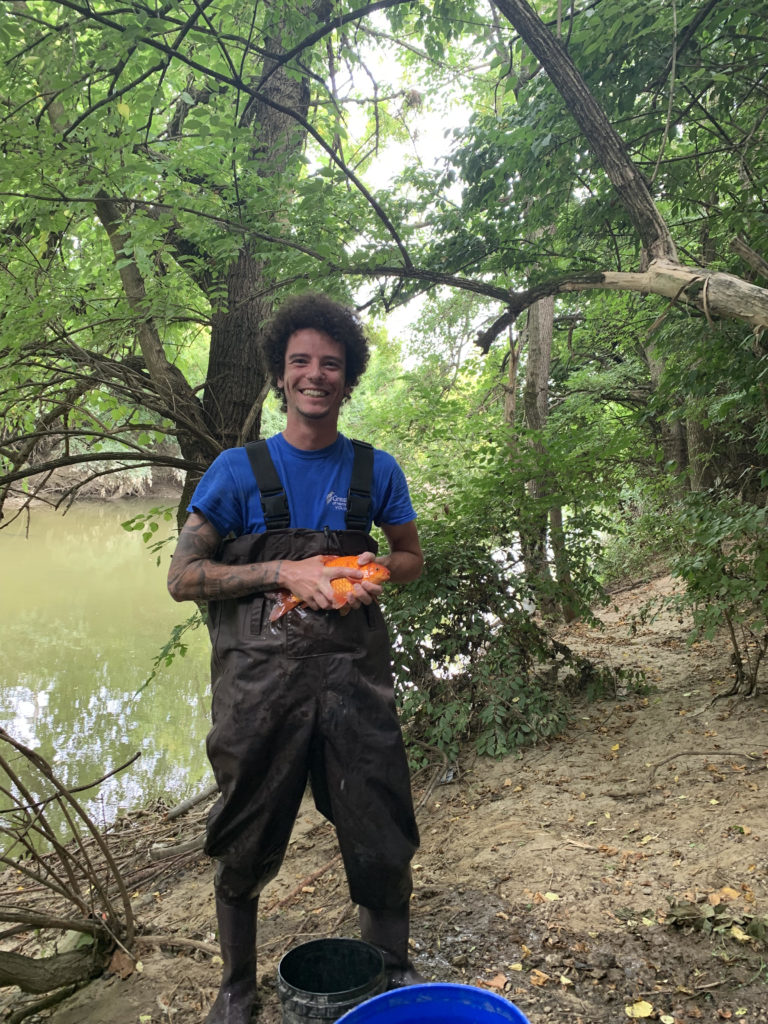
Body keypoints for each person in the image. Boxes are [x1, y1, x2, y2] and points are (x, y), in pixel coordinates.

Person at [167, 292, 425, 1024]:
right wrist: (286, 573)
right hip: (258, 691)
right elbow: (182, 578)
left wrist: (373, 571)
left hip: (355, 686)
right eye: (301, 362)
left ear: (349, 378)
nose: (316, 374)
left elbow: (410, 558)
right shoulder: (235, 472)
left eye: (331, 364)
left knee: (380, 828)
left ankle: (395, 975)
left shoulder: (378, 472)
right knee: (244, 836)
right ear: (281, 376)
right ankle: (236, 990)